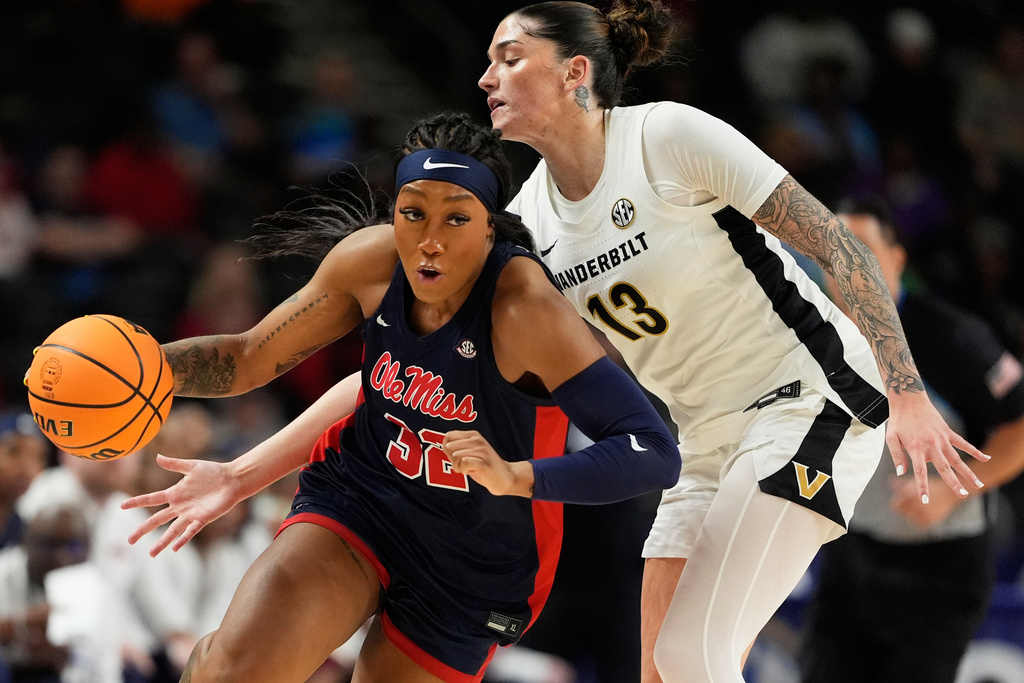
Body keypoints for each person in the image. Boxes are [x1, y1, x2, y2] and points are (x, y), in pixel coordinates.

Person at [130, 3, 987, 682]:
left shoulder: (668, 136)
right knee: (659, 669)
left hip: (810, 402)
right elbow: (395, 377)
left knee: (695, 656)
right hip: (701, 440)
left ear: (576, 73)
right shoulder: (530, 226)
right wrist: (247, 472)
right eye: (489, 57)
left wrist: (905, 389)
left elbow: (833, 241)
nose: (486, 74)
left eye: (510, 56)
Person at [121, 110, 680, 683]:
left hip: (474, 563)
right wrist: (132, 367)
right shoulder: (371, 263)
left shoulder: (524, 309)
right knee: (232, 673)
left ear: (490, 226)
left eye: (456, 219)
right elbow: (249, 358)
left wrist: (517, 475)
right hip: (360, 502)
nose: (430, 241)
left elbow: (652, 450)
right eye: (413, 213)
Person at [798, 199, 1024, 683]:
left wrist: (952, 490)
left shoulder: (951, 338)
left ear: (898, 260)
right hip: (850, 557)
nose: (851, 271)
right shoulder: (808, 337)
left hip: (939, 571)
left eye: (866, 254)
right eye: (836, 256)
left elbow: (1021, 425)